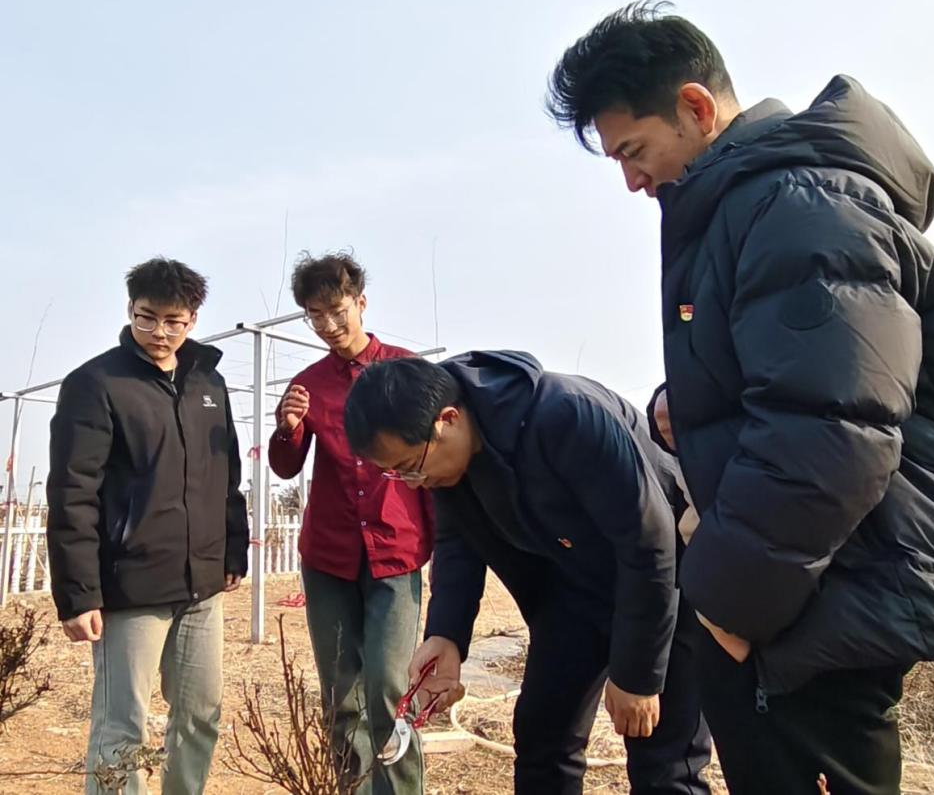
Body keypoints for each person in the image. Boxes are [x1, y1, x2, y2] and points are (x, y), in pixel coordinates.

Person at [546, 0, 934, 794]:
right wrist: (682, 402)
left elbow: (834, 430)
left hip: (817, 598)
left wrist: (732, 606)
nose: (631, 180)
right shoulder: (749, 208)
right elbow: (796, 378)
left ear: (695, 107)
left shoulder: (794, 206)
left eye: (634, 150)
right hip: (800, 589)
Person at [344, 351, 712, 795]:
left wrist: (638, 675)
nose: (413, 482)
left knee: (663, 760)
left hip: (664, 588)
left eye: (410, 467)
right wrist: (446, 634)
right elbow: (457, 542)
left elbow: (650, 542)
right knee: (543, 737)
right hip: (571, 593)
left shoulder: (567, 416)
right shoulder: (445, 467)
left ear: (448, 420)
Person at [46, 257, 249, 794]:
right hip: (130, 587)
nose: (160, 332)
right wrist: (78, 594)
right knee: (123, 728)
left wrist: (233, 549)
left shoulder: (208, 382)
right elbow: (72, 492)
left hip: (202, 585)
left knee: (200, 715)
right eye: (147, 317)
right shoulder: (96, 384)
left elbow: (226, 471)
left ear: (193, 319)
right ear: (130, 309)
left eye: (174, 321)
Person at [268, 251, 432, 795]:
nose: (328, 325)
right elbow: (286, 466)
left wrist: (442, 538)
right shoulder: (308, 384)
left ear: (361, 303)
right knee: (341, 693)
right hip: (330, 556)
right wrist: (289, 427)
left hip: (395, 551)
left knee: (389, 687)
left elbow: (437, 456)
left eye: (337, 311)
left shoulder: (406, 371)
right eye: (315, 316)